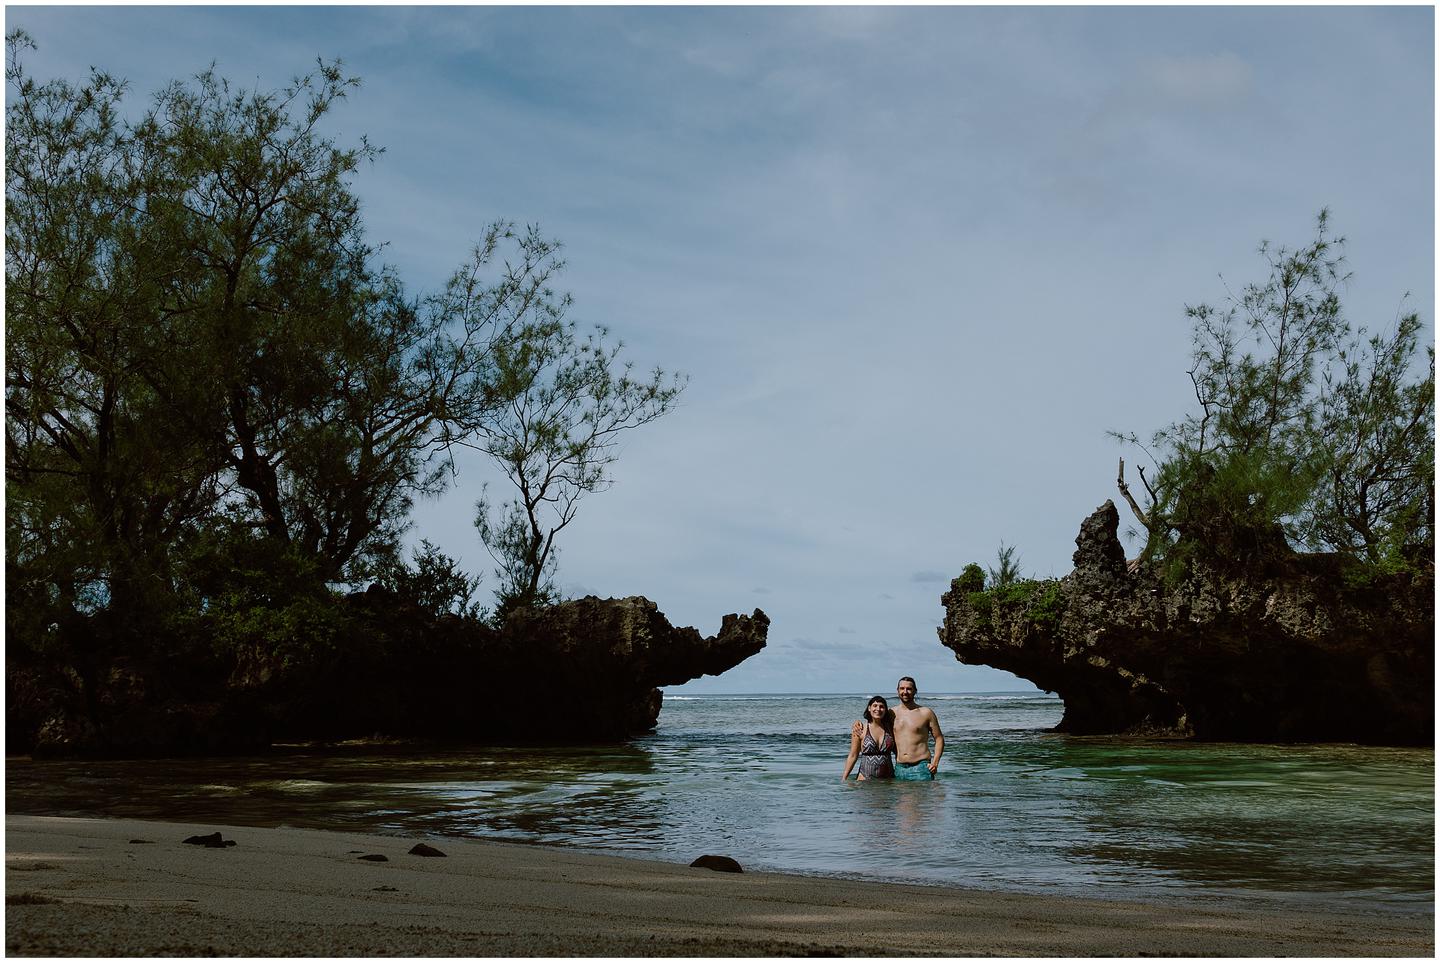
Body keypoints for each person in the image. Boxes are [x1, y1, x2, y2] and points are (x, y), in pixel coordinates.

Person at [892, 676, 943, 780]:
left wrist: (935, 763)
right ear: (897, 690)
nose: (905, 692)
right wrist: (857, 724)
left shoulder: (926, 713)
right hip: (899, 768)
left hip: (921, 768)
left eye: (909, 689)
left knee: (922, 796)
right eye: (902, 688)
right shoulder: (891, 713)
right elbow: (874, 724)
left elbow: (939, 738)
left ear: (915, 691)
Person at [841, 695, 895, 781]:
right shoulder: (860, 729)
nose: (878, 709)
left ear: (885, 710)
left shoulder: (890, 729)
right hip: (865, 778)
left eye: (882, 707)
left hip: (887, 780)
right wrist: (844, 778)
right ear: (869, 708)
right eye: (875, 706)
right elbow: (853, 755)